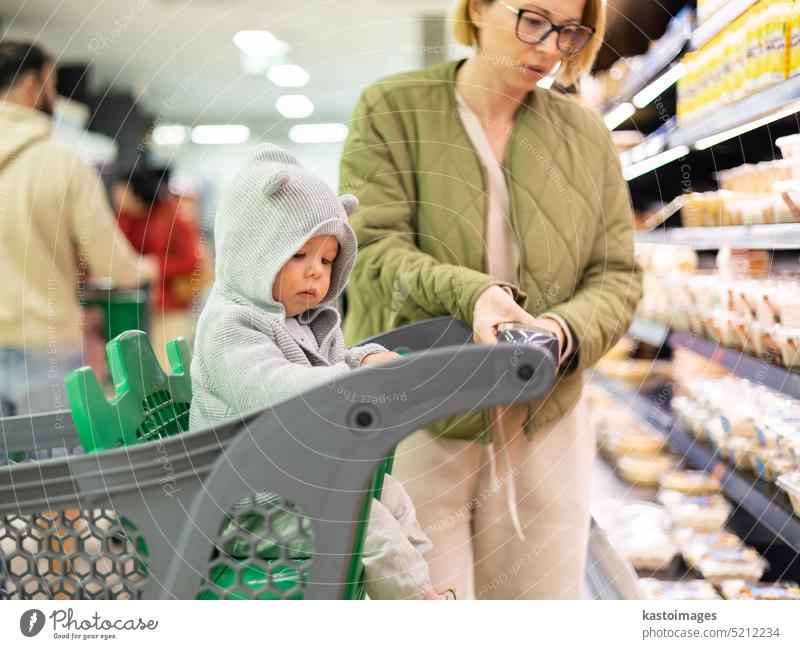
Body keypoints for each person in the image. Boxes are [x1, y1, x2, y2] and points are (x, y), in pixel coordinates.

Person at [340, 0, 642, 599]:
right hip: (419, 418)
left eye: (570, 31)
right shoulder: (393, 109)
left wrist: (562, 332)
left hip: (545, 426)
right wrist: (473, 295)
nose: (551, 47)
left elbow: (617, 275)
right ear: (477, 7)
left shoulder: (585, 135)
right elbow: (370, 251)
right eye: (533, 20)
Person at [189, 143, 450, 600]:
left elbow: (331, 368)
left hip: (294, 482)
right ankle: (417, 603)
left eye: (327, 261)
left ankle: (416, 587)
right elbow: (272, 388)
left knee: (389, 492)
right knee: (360, 516)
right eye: (298, 256)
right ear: (254, 249)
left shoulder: (307, 322)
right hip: (245, 505)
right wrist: (352, 383)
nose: (316, 274)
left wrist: (361, 360)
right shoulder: (229, 326)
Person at [0, 41, 157, 416]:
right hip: (43, 344)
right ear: (31, 88)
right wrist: (147, 267)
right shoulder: (62, 163)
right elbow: (111, 263)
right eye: (53, 85)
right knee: (48, 469)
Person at [113, 166, 202, 369]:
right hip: (129, 305)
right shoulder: (124, 218)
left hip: (168, 303)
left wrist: (155, 266)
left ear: (135, 191)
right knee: (134, 365)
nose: (117, 197)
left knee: (168, 363)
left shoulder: (169, 215)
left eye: (121, 191)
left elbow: (192, 259)